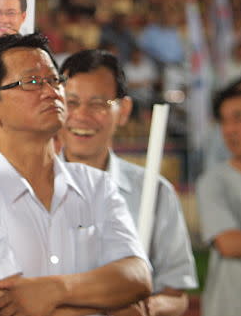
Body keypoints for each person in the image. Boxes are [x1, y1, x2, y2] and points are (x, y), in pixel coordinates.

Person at [0, 33, 151, 316]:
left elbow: (137, 276)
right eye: (32, 82)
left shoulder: (95, 183)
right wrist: (111, 304)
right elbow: (10, 307)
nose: (51, 91)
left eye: (55, 80)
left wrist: (56, 290)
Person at [59, 49, 197, 316]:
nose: (82, 115)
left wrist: (149, 308)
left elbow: (176, 295)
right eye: (71, 102)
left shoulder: (155, 193)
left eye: (98, 104)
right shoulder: (29, 186)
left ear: (124, 111)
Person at [196, 81, 241, 316]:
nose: (229, 129)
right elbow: (229, 243)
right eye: (223, 121)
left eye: (238, 119)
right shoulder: (213, 181)